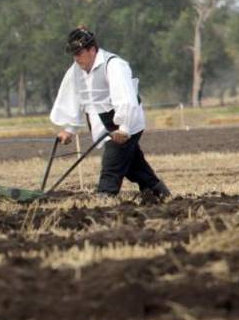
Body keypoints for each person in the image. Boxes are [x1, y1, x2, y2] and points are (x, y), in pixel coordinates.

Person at [50, 26, 170, 200]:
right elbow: (75, 97)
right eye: (73, 54)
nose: (76, 59)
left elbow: (125, 98)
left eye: (79, 53)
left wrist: (124, 128)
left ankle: (104, 197)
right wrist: (69, 129)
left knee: (112, 164)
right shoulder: (77, 71)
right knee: (134, 167)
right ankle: (159, 192)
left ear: (92, 50)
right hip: (105, 123)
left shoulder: (114, 65)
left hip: (126, 121)